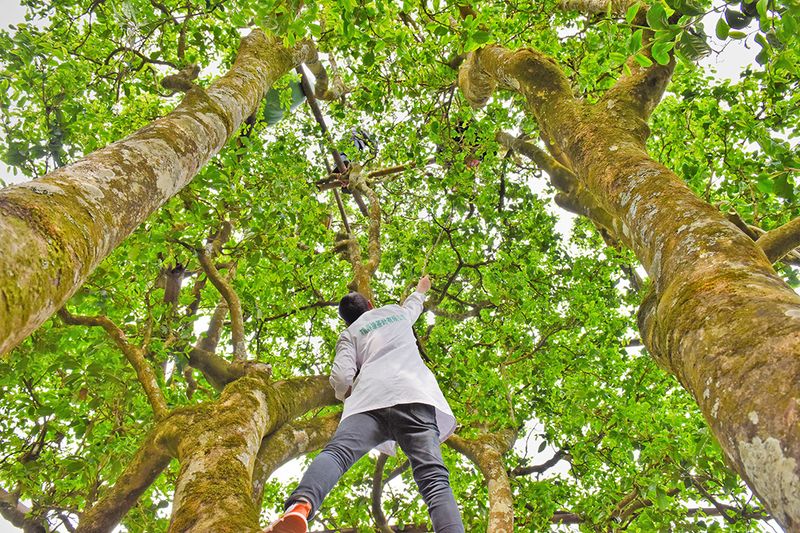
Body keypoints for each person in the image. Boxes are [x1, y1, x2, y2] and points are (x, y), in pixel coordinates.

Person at [264, 275, 464, 533]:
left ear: (347, 320)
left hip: (368, 402)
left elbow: (341, 377)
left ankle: (300, 508)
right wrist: (421, 289)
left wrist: (346, 394)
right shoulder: (395, 313)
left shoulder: (349, 334)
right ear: (370, 305)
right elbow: (414, 305)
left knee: (336, 454)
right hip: (415, 397)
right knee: (433, 478)